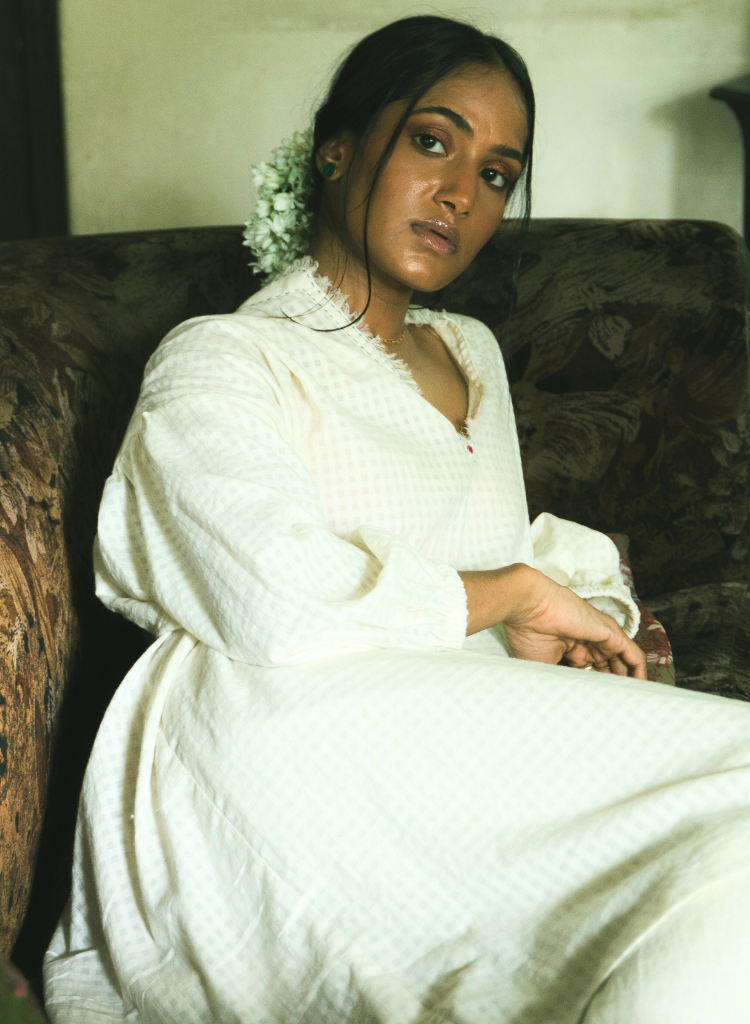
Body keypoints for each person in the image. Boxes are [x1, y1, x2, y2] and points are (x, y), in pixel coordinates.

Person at [43, 16, 750, 1024]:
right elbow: (269, 595)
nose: (462, 193)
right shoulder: (222, 357)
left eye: (497, 174)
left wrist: (553, 612)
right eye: (432, 141)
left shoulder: (472, 352)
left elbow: (490, 545)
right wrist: (513, 595)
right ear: (337, 148)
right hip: (271, 740)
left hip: (445, 718)